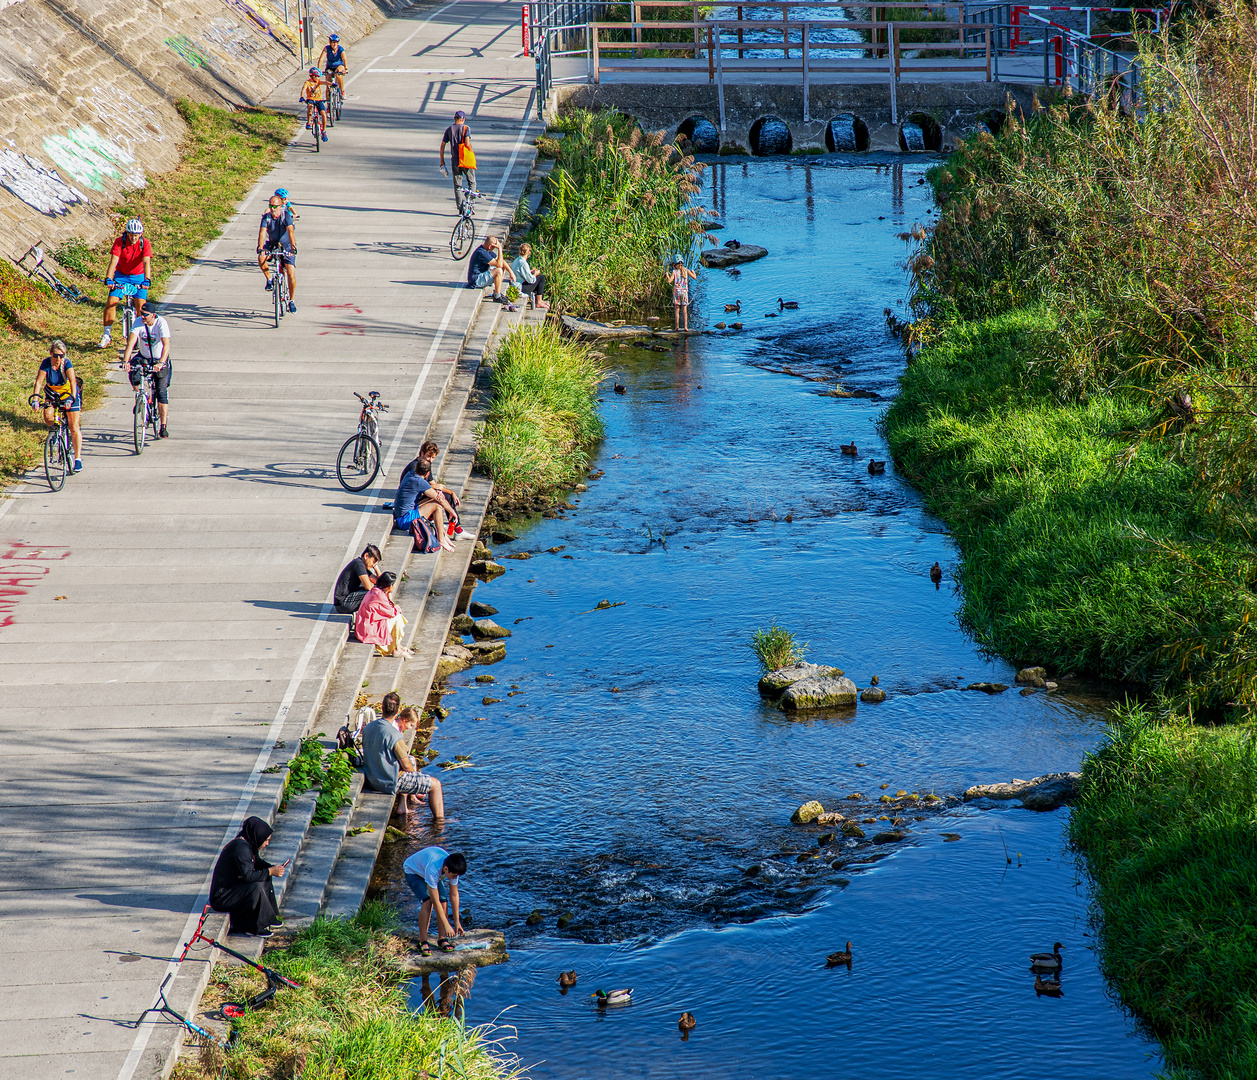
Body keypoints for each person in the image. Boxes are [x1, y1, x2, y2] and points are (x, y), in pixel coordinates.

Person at [361, 691, 446, 821]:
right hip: (388, 781)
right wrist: (416, 778)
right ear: (397, 712)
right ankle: (440, 823)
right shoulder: (394, 735)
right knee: (435, 785)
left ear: (382, 708)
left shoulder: (368, 728)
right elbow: (406, 766)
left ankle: (403, 805)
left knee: (411, 759)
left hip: (372, 777)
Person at [209, 816, 287, 938]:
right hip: (222, 896)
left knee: (264, 876)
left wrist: (271, 868)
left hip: (233, 888)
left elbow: (257, 862)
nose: (267, 844)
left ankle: (269, 917)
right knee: (256, 886)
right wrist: (270, 871)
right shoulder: (241, 848)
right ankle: (254, 926)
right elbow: (248, 876)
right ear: (257, 836)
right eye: (265, 840)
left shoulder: (249, 843)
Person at [402, 846, 466, 955]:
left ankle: (442, 939)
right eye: (454, 876)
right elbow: (435, 901)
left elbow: (454, 895)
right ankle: (423, 942)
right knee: (428, 901)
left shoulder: (453, 867)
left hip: (426, 869)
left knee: (444, 901)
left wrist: (456, 921)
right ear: (446, 869)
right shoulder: (433, 870)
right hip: (413, 871)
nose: (455, 878)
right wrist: (447, 925)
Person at [120, 307, 173, 438]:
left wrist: (161, 362)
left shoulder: (161, 323)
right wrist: (126, 361)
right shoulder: (138, 322)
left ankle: (163, 426)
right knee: (134, 370)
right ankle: (140, 395)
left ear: (153, 315)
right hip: (143, 356)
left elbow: (166, 345)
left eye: (146, 315)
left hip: (159, 358)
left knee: (161, 393)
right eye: (141, 314)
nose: (143, 317)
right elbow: (131, 343)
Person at [30, 340, 82, 471]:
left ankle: (78, 458)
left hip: (68, 395)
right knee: (48, 415)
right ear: (50, 353)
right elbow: (39, 382)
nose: (58, 359)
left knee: (74, 427)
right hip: (52, 394)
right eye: (56, 355)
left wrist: (72, 398)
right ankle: (55, 433)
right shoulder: (46, 363)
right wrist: (35, 399)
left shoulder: (66, 364)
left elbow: (73, 381)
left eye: (61, 356)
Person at [101, 219, 151, 349]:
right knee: (111, 302)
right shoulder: (119, 242)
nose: (133, 238)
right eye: (131, 235)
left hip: (138, 277)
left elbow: (146, 262)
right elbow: (113, 261)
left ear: (140, 234)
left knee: (141, 306)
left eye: (136, 235)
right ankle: (107, 335)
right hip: (121, 275)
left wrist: (147, 279)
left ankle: (142, 334)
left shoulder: (145, 243)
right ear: (127, 233)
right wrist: (109, 278)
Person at [393, 461, 456, 552]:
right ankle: (441, 539)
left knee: (434, 500)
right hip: (405, 520)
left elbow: (433, 495)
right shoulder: (419, 481)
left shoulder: (410, 474)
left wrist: (437, 492)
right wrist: (452, 512)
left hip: (403, 515)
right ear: (427, 473)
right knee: (437, 505)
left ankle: (443, 535)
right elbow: (440, 500)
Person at [354, 571, 411, 657]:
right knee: (398, 618)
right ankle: (396, 649)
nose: (395, 587)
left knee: (397, 618)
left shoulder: (376, 590)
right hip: (367, 629)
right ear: (389, 586)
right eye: (394, 585)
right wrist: (397, 607)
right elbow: (392, 612)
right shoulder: (379, 595)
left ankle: (398, 646)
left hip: (366, 624)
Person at [257, 195, 298, 312]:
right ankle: (269, 279)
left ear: (281, 206)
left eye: (275, 206)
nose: (272, 209)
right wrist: (260, 247)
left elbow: (290, 232)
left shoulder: (286, 216)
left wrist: (293, 248)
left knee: (290, 273)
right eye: (270, 206)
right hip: (272, 244)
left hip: (286, 246)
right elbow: (262, 233)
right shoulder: (266, 217)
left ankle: (291, 301)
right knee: (261, 258)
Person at [440, 110, 476, 213]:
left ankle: (460, 209)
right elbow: (467, 143)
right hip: (465, 159)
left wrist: (442, 161)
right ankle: (470, 206)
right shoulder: (466, 128)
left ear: (454, 119)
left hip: (455, 160)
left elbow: (442, 146)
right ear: (463, 119)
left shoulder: (449, 130)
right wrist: (472, 154)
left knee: (458, 185)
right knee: (472, 182)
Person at [334, 544, 381, 614]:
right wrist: (371, 584)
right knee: (376, 592)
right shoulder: (358, 564)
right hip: (343, 603)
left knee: (380, 590)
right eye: (373, 562)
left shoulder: (363, 566)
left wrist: (376, 569)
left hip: (349, 600)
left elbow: (382, 583)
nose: (373, 565)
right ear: (366, 556)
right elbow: (368, 587)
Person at [466, 236, 513, 303]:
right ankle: (497, 296)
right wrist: (500, 249)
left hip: (481, 275)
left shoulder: (486, 250)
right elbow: (499, 264)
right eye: (494, 247)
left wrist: (511, 272)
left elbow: (501, 261)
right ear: (490, 247)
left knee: (502, 268)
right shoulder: (481, 252)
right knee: (498, 270)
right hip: (475, 280)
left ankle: (497, 291)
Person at [511, 243, 549, 311]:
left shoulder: (517, 260)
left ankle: (538, 300)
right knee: (541, 278)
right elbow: (531, 280)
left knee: (538, 278)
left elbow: (521, 273)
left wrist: (530, 272)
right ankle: (539, 301)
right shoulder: (523, 263)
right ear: (528, 252)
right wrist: (535, 274)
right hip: (520, 288)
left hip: (515, 285)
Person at [667, 256, 697, 332]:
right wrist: (693, 271)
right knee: (684, 310)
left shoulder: (674, 272)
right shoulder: (686, 270)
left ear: (674, 265)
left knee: (677, 310)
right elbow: (694, 277)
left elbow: (669, 281)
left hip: (677, 292)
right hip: (684, 292)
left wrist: (667, 275)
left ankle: (677, 326)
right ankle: (685, 327)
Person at [300, 67, 330, 141]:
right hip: (311, 99)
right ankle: (309, 122)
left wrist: (332, 84)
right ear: (313, 76)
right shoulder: (307, 83)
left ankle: (324, 131)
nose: (318, 78)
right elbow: (303, 89)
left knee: (323, 114)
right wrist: (302, 97)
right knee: (310, 107)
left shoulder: (318, 82)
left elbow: (325, 82)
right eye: (316, 76)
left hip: (319, 100)